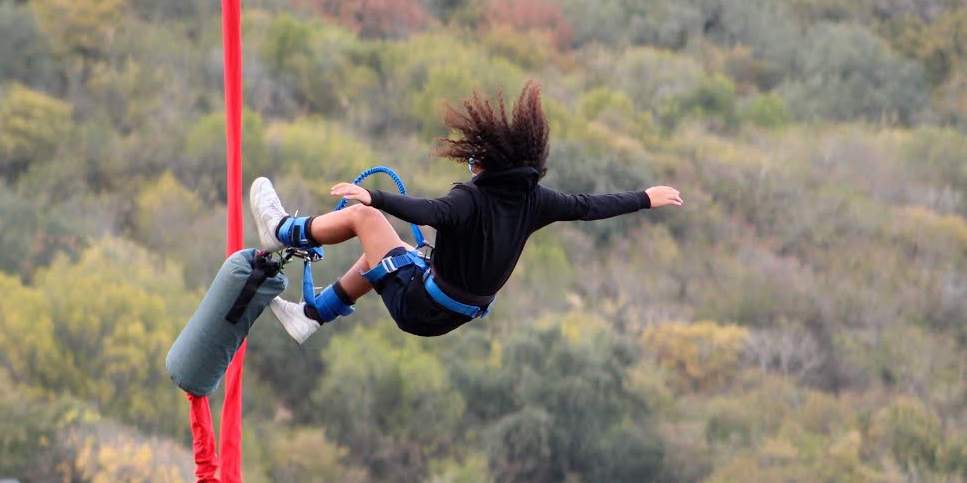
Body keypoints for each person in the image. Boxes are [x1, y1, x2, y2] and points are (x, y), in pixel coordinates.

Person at [251, 80, 684, 343]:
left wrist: (373, 198)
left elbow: (429, 210)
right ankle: (310, 316)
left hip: (421, 306)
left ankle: (283, 230)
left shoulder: (470, 199)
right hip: (447, 314)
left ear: (488, 162)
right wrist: (644, 197)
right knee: (387, 252)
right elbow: (588, 206)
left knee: (367, 221)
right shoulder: (536, 199)